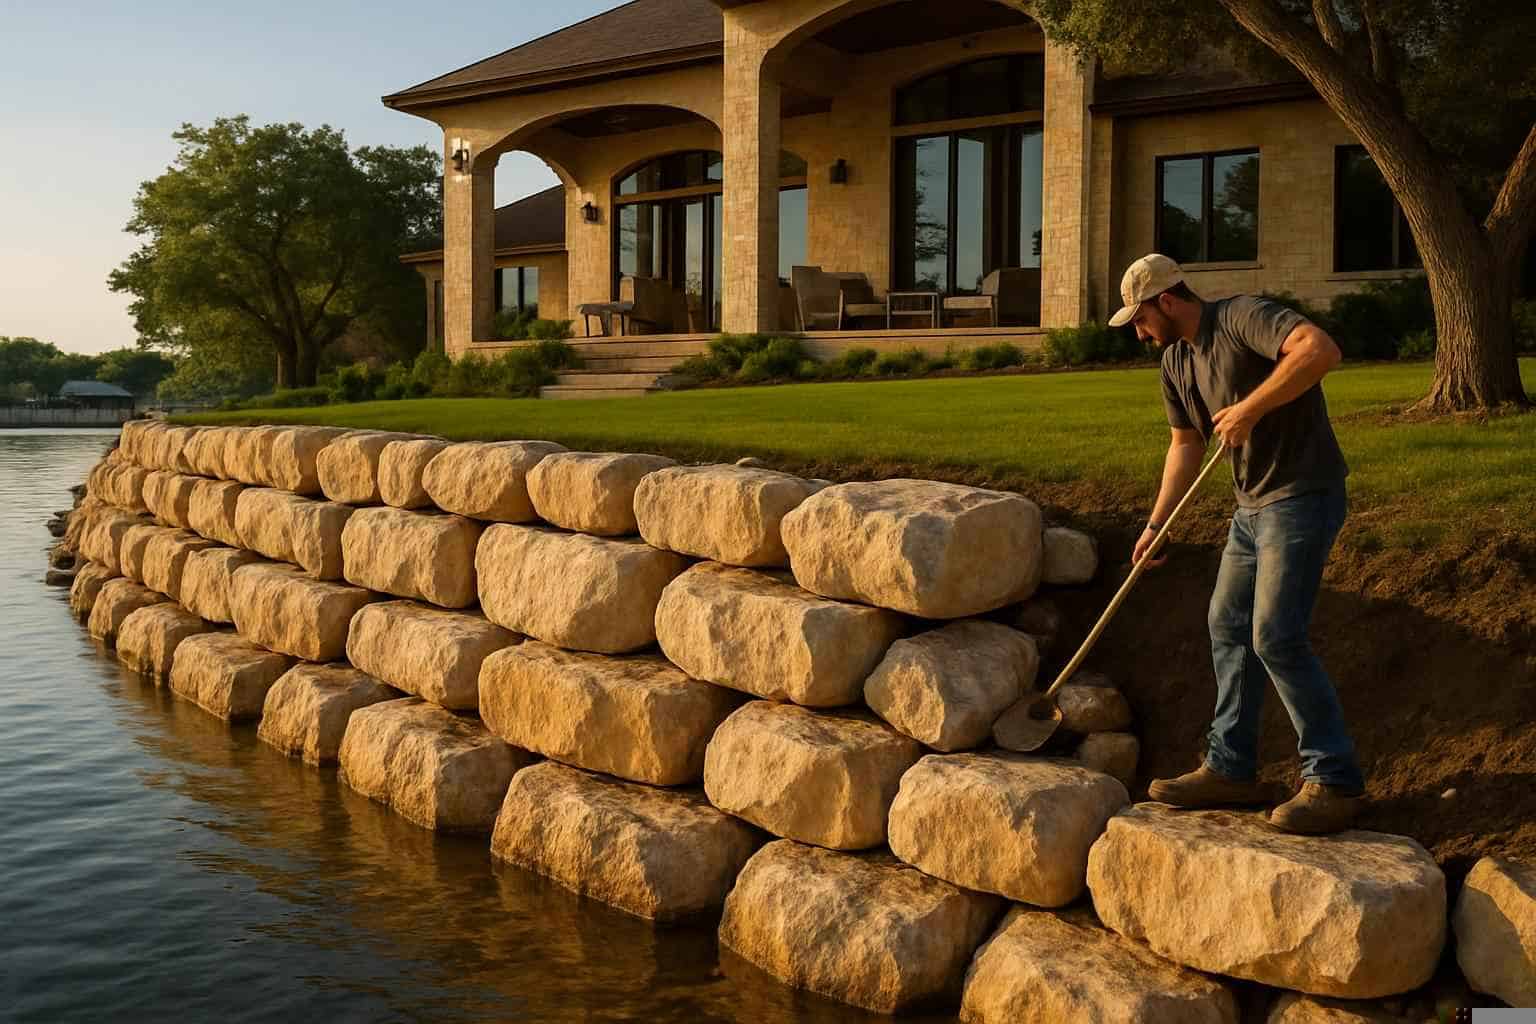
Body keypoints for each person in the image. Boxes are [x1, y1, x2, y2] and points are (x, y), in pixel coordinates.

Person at [1109, 253, 1364, 835]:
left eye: (1141, 320)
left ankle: (1335, 780)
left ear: (1166, 301)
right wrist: (1156, 526)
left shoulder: (1243, 317)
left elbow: (1320, 351)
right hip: (1250, 510)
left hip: (1302, 495)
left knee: (1275, 635)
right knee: (1227, 626)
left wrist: (1251, 407)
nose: (1141, 334)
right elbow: (1184, 446)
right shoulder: (1175, 361)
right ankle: (1231, 768)